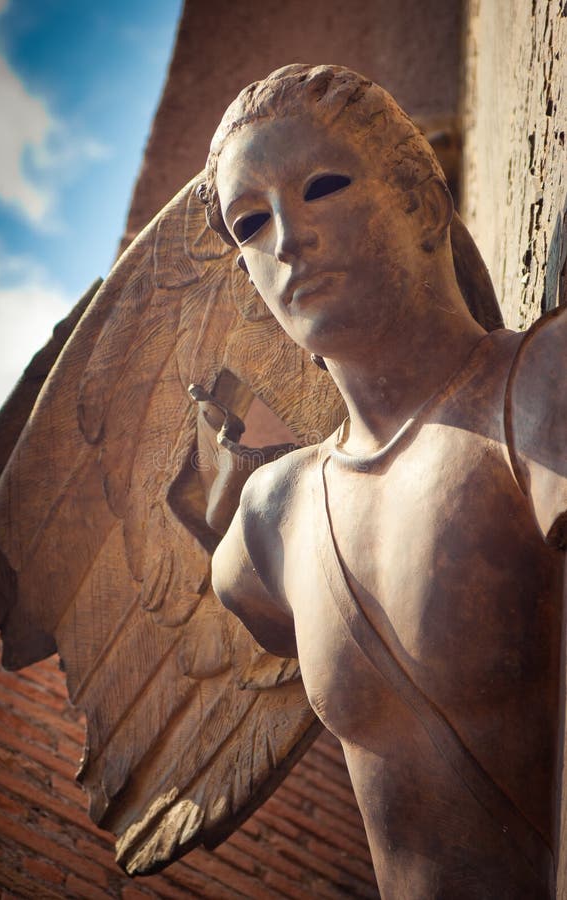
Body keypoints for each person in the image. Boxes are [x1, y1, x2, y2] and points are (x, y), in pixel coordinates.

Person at [203, 64, 566, 898]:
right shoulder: (270, 525)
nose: (287, 238)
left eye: (321, 187)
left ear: (424, 206)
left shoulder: (540, 387)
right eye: (250, 223)